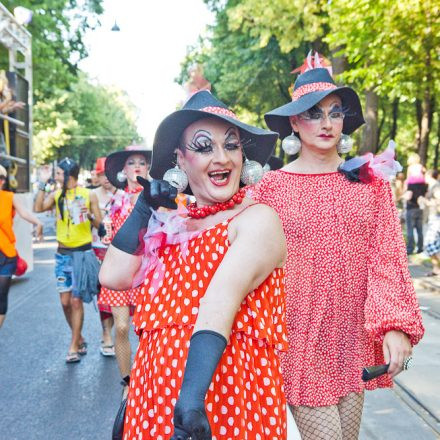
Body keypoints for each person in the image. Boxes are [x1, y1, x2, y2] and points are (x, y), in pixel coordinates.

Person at [253, 54, 425, 440]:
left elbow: (388, 258)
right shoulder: (269, 189)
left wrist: (394, 326)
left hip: (350, 339)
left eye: (335, 112)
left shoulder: (370, 184)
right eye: (313, 114)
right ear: (295, 122)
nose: (327, 123)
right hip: (297, 338)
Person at [99, 91, 288, 439]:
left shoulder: (258, 219)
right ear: (180, 160)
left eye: (231, 145)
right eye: (204, 147)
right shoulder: (168, 224)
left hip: (222, 402)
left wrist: (190, 402)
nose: (222, 157)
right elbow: (112, 276)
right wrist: (145, 208)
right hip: (155, 400)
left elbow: (220, 300)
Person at [34, 157, 103, 363]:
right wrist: (43, 184)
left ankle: (73, 345)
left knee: (75, 300)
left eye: (58, 174)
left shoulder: (88, 194)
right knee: (64, 302)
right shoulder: (57, 195)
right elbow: (38, 208)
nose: (57, 176)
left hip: (82, 254)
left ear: (68, 175)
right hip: (62, 255)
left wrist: (89, 215)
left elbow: (100, 224)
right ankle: (79, 336)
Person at [98, 146, 151, 397]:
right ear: (123, 170)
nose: (137, 166)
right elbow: (110, 235)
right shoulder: (116, 200)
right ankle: (128, 381)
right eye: (132, 162)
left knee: (146, 329)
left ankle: (145, 376)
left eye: (142, 162)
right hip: (121, 273)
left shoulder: (155, 197)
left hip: (149, 274)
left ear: (149, 168)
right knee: (121, 327)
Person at [0, 164, 43, 328]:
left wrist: (38, 222)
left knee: (1, 295)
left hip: (6, 254)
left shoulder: (9, 197)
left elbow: (25, 213)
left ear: (2, 181)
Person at [92, 157, 120, 356]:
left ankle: (120, 332)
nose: (106, 179)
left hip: (119, 252)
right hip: (97, 249)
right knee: (102, 296)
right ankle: (106, 334)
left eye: (108, 174)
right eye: (102, 174)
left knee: (118, 296)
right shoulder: (92, 195)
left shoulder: (125, 195)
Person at [404, 157, 428, 254]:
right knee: (419, 230)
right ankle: (420, 248)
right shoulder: (424, 185)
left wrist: (404, 194)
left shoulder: (410, 184)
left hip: (411, 207)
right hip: (420, 208)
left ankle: (410, 249)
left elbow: (408, 194)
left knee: (410, 230)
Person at [424, 170, 440, 276]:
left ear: (429, 176)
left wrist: (428, 202)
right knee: (433, 245)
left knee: (431, 244)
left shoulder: (436, 186)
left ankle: (436, 269)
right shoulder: (432, 186)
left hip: (436, 218)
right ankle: (436, 269)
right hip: (432, 218)